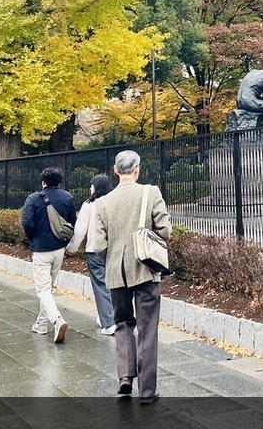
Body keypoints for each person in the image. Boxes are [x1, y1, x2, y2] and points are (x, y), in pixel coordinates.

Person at [93, 150, 172, 404]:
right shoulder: (151, 193)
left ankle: (125, 377)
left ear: (116, 171)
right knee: (148, 329)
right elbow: (165, 231)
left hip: (117, 273)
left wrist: (117, 252)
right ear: (137, 169)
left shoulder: (103, 202)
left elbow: (99, 246)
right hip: (145, 270)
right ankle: (147, 391)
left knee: (123, 324)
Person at [21, 167, 77, 344]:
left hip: (41, 249)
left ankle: (57, 320)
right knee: (48, 289)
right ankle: (41, 324)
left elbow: (27, 223)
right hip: (59, 249)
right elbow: (71, 221)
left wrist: (33, 239)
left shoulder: (33, 199)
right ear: (59, 181)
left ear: (43, 182)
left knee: (43, 290)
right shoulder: (67, 197)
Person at [66, 174, 115, 335]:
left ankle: (108, 322)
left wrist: (72, 249)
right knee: (115, 285)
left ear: (97, 187)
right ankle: (112, 317)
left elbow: (80, 230)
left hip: (94, 250)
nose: (90, 188)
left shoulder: (89, 205)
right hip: (114, 250)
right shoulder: (114, 202)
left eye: (92, 185)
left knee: (100, 286)